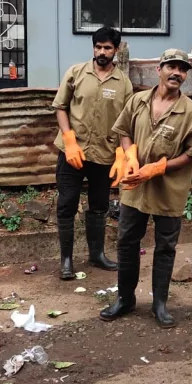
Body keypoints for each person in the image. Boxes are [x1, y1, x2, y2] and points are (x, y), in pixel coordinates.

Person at [99, 49, 192, 329]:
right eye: (171, 66)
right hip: (135, 187)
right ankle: (125, 298)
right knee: (126, 242)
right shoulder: (138, 101)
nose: (177, 73)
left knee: (166, 246)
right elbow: (123, 130)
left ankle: (159, 303)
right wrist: (129, 154)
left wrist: (160, 168)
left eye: (182, 69)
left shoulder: (190, 111)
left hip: (168, 190)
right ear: (158, 69)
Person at [52, 26, 133, 281]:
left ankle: (96, 254)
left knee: (98, 207)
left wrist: (124, 154)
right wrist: (69, 139)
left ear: (116, 50)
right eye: (98, 47)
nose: (101, 52)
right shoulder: (76, 73)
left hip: (104, 155)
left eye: (107, 48)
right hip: (73, 154)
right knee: (67, 205)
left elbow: (125, 122)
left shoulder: (123, 84)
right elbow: (61, 107)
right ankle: (66, 260)